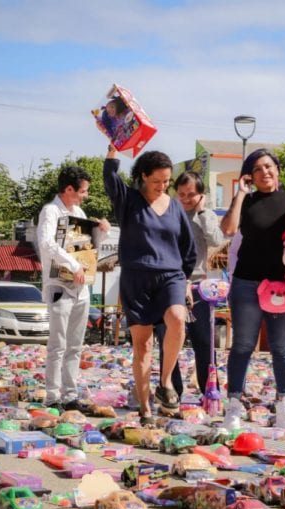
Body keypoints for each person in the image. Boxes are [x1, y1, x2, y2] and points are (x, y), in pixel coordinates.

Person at [103, 145, 197, 425]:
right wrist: (112, 153)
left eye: (167, 181)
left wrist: (187, 279)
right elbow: (110, 179)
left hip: (170, 275)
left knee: (178, 318)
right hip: (136, 279)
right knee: (142, 346)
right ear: (143, 176)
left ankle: (166, 382)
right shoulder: (128, 200)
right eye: (157, 181)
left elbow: (187, 248)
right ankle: (145, 408)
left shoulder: (175, 207)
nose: (162, 186)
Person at [219, 148, 285, 431]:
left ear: (278, 170)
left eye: (269, 167)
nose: (265, 172)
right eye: (257, 169)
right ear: (250, 176)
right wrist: (241, 193)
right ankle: (234, 404)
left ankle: (284, 404)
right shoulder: (247, 200)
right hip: (246, 282)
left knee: (282, 347)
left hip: (281, 284)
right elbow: (229, 230)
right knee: (243, 345)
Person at [37, 165, 111, 412]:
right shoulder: (50, 212)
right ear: (68, 189)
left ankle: (70, 395)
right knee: (57, 343)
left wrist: (102, 232)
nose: (85, 196)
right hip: (59, 285)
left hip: (81, 286)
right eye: (83, 191)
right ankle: (52, 395)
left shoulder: (78, 211)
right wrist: (73, 264)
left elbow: (88, 246)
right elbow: (47, 245)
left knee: (75, 344)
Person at [157, 171, 227, 398]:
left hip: (198, 286)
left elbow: (216, 240)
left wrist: (204, 211)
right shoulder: (168, 213)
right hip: (170, 283)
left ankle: (209, 390)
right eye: (182, 194)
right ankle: (171, 389)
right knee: (169, 339)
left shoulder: (204, 215)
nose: (186, 199)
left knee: (204, 341)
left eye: (192, 195)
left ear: (201, 195)